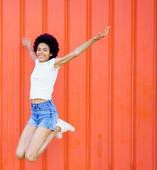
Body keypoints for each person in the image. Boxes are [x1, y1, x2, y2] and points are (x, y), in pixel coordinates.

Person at [16, 26, 110, 162]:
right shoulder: (37, 62)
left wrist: (94, 39)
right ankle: (56, 126)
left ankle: (56, 128)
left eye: (45, 50)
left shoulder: (54, 64)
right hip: (34, 113)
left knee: (31, 157)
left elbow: (75, 53)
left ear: (51, 53)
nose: (41, 52)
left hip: (47, 113)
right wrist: (29, 46)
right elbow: (32, 54)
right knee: (19, 154)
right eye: (39, 49)